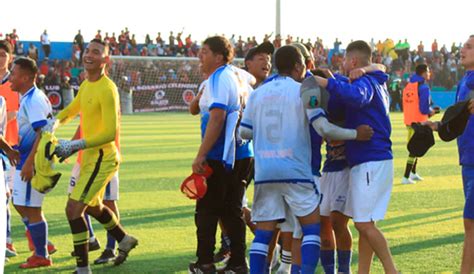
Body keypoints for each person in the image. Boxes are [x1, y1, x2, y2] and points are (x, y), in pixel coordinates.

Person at [47, 39, 137, 274]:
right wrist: (55, 122)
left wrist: (74, 145)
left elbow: (109, 133)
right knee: (93, 207)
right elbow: (72, 109)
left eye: (96, 52)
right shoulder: (87, 84)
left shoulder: (108, 89)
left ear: (105, 60)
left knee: (73, 210)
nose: (89, 55)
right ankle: (123, 239)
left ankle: (83, 269)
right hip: (90, 158)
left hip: (102, 158)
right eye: (87, 50)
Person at [313, 40, 398, 273]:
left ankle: (392, 270)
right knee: (366, 223)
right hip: (371, 158)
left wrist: (325, 83)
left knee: (362, 223)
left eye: (343, 62)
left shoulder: (364, 81)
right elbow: (375, 72)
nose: (340, 67)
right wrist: (330, 79)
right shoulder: (372, 78)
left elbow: (357, 96)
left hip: (370, 158)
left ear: (352, 61)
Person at [188, 36, 249, 273]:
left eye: (204, 52)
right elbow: (195, 109)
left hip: (222, 154)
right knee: (230, 210)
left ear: (219, 57)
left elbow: (217, 117)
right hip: (242, 152)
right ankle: (237, 263)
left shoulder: (220, 77)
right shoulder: (234, 75)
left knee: (206, 210)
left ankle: (205, 262)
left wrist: (200, 155)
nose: (200, 56)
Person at [425, 35, 474, 274]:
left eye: (469, 46)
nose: (462, 49)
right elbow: (456, 122)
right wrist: (437, 127)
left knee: (471, 222)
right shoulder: (465, 81)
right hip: (468, 160)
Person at [8, 57, 52, 268]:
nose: (10, 79)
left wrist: (30, 162)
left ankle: (41, 253)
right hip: (26, 157)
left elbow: (42, 132)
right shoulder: (28, 97)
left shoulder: (33, 100)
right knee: (19, 202)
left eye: (14, 74)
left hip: (33, 161)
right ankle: (41, 243)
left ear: (25, 77)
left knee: (32, 207)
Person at [68, 125, 122, 265]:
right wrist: (69, 147)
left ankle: (112, 247)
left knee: (107, 202)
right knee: (75, 203)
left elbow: (107, 129)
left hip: (103, 160)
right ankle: (91, 240)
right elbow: (83, 125)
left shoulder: (107, 103)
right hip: (83, 161)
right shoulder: (83, 103)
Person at [0, 40, 20, 258]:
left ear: (10, 58)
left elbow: (16, 113)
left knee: (8, 197)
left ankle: (7, 240)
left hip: (10, 147)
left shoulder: (14, 83)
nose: (0, 59)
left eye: (3, 54)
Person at [401, 64, 437, 185]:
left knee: (416, 145)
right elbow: (423, 108)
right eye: (428, 71)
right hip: (419, 121)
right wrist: (432, 112)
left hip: (409, 120)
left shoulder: (408, 86)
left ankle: (413, 173)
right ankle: (405, 177)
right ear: (423, 73)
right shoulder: (424, 87)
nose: (429, 74)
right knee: (415, 148)